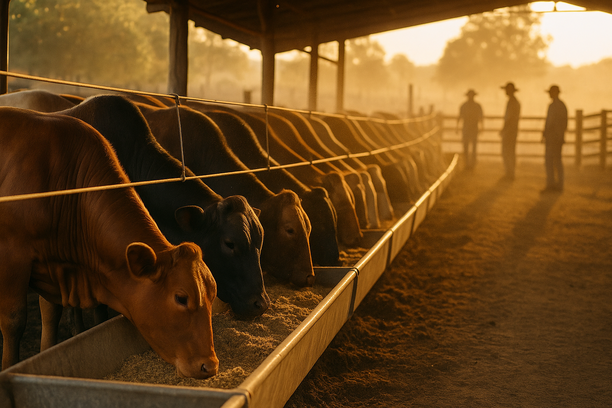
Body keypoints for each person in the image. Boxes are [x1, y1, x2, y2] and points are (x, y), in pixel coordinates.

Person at [541, 84, 568, 193]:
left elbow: (551, 123)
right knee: (554, 160)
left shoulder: (554, 106)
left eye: (551, 92)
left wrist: (546, 134)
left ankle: (553, 184)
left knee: (552, 160)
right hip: (555, 137)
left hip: (553, 138)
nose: (549, 94)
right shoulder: (560, 105)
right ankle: (556, 184)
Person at [456, 89, 483, 170]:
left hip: (473, 128)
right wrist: (457, 127)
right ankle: (466, 163)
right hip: (467, 128)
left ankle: (472, 163)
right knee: (466, 146)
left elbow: (480, 118)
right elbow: (459, 117)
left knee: (473, 147)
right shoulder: (465, 106)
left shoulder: (475, 106)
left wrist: (481, 127)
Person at [499, 82, 521, 180]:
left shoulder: (512, 102)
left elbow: (510, 118)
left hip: (510, 130)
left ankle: (510, 172)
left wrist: (504, 128)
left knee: (507, 151)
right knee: (510, 151)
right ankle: (510, 172)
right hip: (512, 130)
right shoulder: (514, 102)